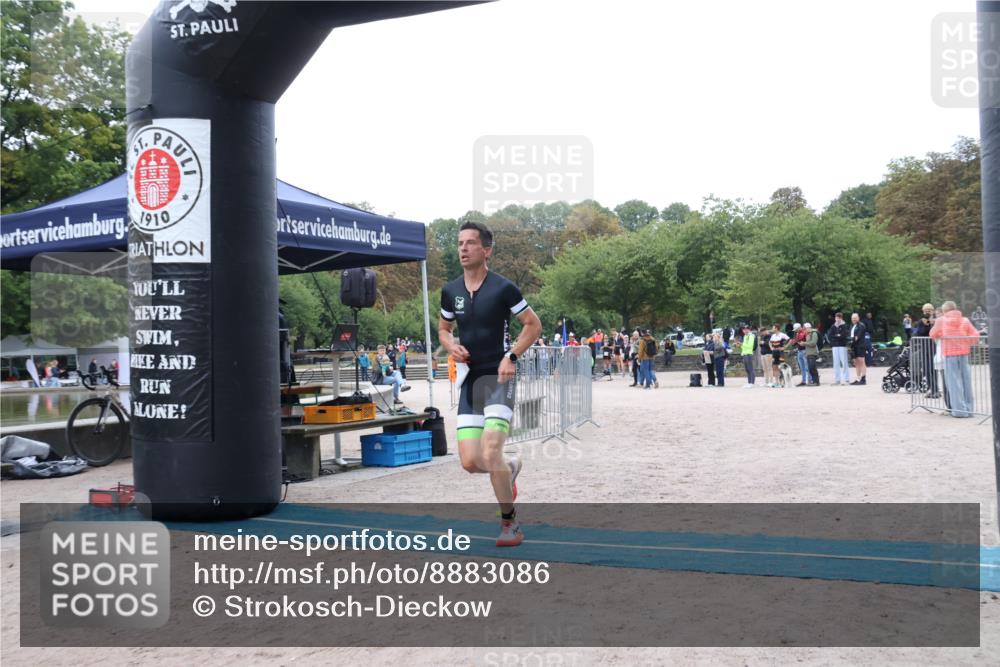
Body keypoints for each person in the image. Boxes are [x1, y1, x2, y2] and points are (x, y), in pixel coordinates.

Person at [438, 220, 542, 547]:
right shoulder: (450, 291)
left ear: (486, 250)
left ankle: (509, 524)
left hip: (498, 377)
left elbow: (532, 325)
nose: (463, 249)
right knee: (471, 462)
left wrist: (510, 357)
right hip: (471, 380)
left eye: (470, 243)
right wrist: (449, 345)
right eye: (459, 243)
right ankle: (510, 466)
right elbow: (443, 329)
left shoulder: (503, 288)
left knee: (491, 448)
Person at [929, 301, 979, 418]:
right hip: (964, 354)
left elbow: (932, 334)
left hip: (950, 354)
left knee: (953, 383)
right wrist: (965, 341)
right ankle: (969, 409)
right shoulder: (965, 320)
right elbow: (975, 335)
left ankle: (959, 411)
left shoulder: (941, 320)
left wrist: (942, 334)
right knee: (966, 381)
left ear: (945, 311)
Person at [828, 312, 850, 385]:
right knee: (836, 363)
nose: (837, 319)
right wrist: (837, 336)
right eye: (836, 318)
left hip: (842, 346)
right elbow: (830, 335)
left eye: (838, 318)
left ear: (841, 318)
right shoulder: (833, 326)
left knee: (844, 362)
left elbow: (843, 336)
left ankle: (846, 379)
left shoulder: (844, 325)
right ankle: (837, 380)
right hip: (835, 346)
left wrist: (836, 336)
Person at [849, 313, 868, 385]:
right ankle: (858, 378)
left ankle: (863, 379)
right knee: (856, 363)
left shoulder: (861, 326)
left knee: (862, 361)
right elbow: (851, 336)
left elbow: (857, 337)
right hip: (854, 346)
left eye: (855, 318)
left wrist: (850, 340)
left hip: (860, 346)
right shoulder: (852, 326)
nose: (853, 319)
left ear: (858, 318)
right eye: (852, 318)